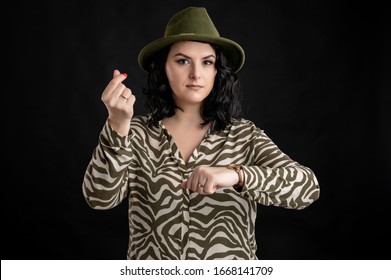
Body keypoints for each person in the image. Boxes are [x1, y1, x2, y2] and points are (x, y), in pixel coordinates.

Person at [82, 6, 320, 260]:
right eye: (183, 61)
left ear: (217, 71)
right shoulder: (136, 134)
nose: (196, 73)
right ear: (163, 67)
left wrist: (235, 175)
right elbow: (99, 198)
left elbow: (307, 189)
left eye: (207, 62)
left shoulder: (244, 135)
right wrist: (118, 125)